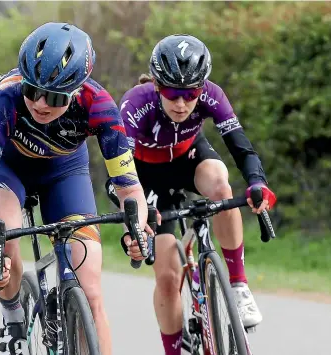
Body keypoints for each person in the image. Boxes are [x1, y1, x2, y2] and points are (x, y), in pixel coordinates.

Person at [0, 22, 150, 355]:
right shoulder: (2, 101)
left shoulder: (99, 106)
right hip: (9, 171)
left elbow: (128, 188)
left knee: (91, 292)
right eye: (32, 91)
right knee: (8, 245)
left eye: (54, 96)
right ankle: (13, 317)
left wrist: (136, 230)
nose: (40, 103)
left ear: (78, 90)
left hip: (64, 171)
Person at [116, 34, 277, 354]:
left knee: (222, 184)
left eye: (190, 94)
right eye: (173, 93)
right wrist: (135, 222)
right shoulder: (135, 104)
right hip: (145, 179)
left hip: (189, 161)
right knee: (166, 275)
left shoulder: (212, 96)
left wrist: (257, 184)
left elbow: (242, 148)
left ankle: (238, 284)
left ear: (201, 89)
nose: (181, 103)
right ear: (158, 87)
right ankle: (174, 349)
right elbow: (120, 176)